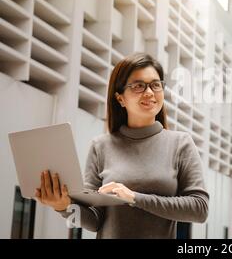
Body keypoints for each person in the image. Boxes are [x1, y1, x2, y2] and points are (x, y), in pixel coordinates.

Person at [34, 52, 209, 238]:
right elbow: (94, 221)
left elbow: (199, 209)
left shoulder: (180, 144)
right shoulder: (100, 146)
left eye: (155, 85)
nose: (149, 92)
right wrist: (63, 206)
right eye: (138, 86)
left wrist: (134, 198)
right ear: (120, 99)